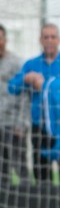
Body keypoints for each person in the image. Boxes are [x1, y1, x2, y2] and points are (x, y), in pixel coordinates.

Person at [7, 23, 60, 185]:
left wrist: (47, 84)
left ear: (59, 40)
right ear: (40, 40)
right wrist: (26, 79)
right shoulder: (31, 64)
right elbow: (12, 87)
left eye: (53, 37)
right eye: (45, 37)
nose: (49, 40)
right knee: (41, 172)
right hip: (39, 125)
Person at [0, 24, 27, 186]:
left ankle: (27, 201)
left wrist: (21, 123)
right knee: (2, 167)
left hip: (13, 124)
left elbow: (25, 95)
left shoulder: (17, 63)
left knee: (19, 164)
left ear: (5, 40)